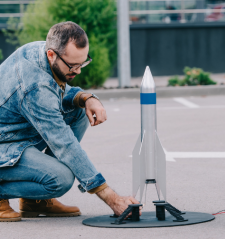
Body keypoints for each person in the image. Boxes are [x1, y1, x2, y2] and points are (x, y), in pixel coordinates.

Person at [0, 21, 139, 222]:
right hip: (5, 143)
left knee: (79, 110)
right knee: (60, 179)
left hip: (15, 133)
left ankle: (34, 200)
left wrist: (86, 97)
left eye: (82, 63)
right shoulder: (34, 85)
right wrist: (112, 198)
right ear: (52, 55)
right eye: (73, 66)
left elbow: (55, 94)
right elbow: (63, 143)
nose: (78, 71)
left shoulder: (44, 52)